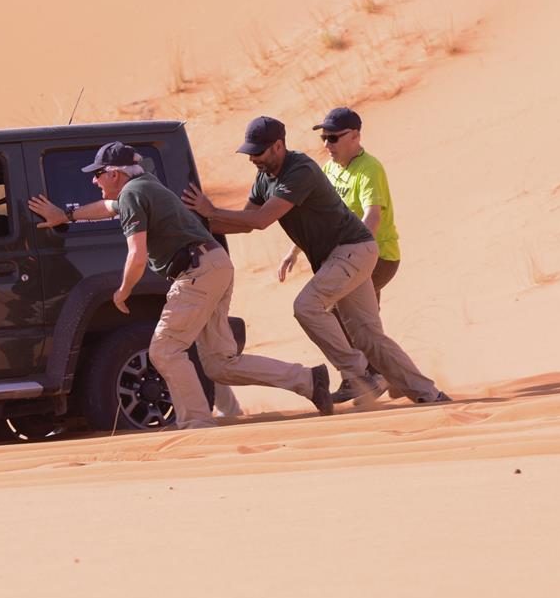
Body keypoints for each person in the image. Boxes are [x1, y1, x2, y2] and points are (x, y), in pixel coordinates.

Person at [28, 141, 333, 430]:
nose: (94, 181)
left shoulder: (133, 194)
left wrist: (123, 290)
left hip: (197, 272)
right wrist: (65, 216)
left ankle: (196, 424)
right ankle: (308, 380)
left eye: (98, 174)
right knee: (219, 364)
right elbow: (108, 207)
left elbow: (137, 253)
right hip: (213, 265)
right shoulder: (142, 186)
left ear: (114, 174)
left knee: (165, 349)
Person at [184, 116, 449, 405]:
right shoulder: (263, 178)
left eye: (258, 152)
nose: (253, 159)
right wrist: (198, 225)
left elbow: (260, 220)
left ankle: (358, 376)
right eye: (249, 153)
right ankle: (430, 394)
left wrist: (211, 211)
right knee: (368, 336)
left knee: (307, 306)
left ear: (278, 146)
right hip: (340, 256)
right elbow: (244, 224)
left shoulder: (300, 170)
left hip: (353, 249)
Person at [277, 107, 400, 401]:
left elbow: (372, 215)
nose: (326, 145)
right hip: (347, 256)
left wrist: (359, 252)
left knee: (337, 314)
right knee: (364, 325)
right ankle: (392, 377)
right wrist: (293, 251)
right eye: (324, 138)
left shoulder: (370, 168)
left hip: (379, 256)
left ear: (355, 136)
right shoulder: (330, 170)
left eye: (333, 138)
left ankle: (366, 378)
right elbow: (319, 216)